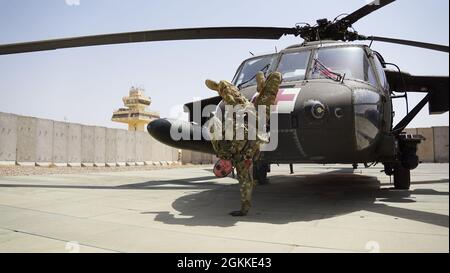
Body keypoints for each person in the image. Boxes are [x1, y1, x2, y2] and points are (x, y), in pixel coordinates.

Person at [206, 71, 282, 216]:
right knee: (276, 77)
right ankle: (262, 87)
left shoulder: (219, 147)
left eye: (219, 167)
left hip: (240, 110)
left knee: (225, 85)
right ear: (229, 171)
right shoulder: (242, 164)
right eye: (224, 171)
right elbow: (245, 185)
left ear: (218, 162)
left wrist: (216, 126)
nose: (223, 167)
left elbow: (213, 126)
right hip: (258, 118)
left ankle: (220, 88)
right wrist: (243, 210)